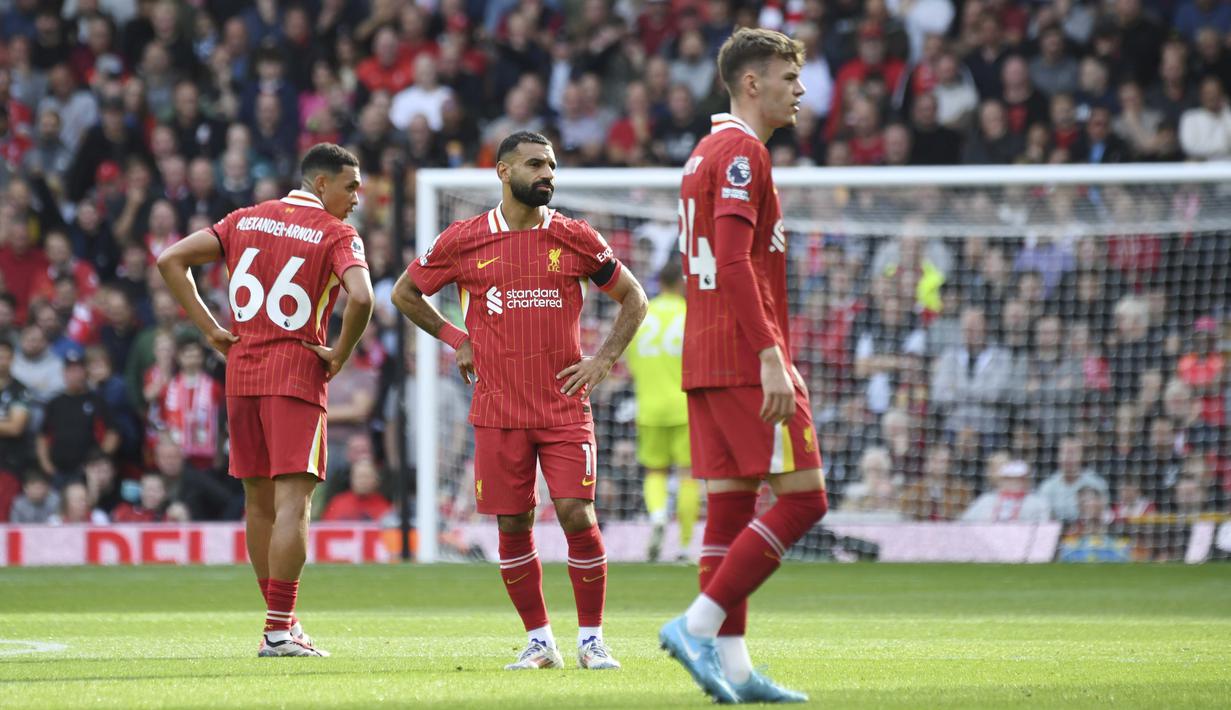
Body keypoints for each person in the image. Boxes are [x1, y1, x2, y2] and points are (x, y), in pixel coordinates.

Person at [392, 130, 647, 671]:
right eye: (535, 164)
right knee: (512, 524)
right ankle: (540, 641)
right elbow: (405, 293)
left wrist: (603, 360)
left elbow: (634, 297)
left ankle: (592, 640)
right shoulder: (464, 239)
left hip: (563, 405)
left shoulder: (575, 236)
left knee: (576, 513)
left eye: (551, 165)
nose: (547, 173)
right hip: (499, 409)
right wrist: (457, 338)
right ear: (504, 172)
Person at [659, 28, 827, 705]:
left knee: (729, 511)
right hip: (741, 355)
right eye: (789, 78)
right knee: (805, 497)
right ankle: (696, 626)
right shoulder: (741, 153)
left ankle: (733, 671)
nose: (801, 90)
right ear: (752, 83)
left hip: (705, 354)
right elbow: (732, 262)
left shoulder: (704, 152)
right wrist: (769, 356)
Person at [157, 143, 374, 658]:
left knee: (257, 502)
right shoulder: (336, 233)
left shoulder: (244, 218)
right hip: (296, 374)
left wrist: (210, 329)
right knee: (293, 502)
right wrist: (340, 353)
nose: (356, 199)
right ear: (321, 184)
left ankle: (282, 624)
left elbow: (170, 259)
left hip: (242, 373)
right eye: (351, 187)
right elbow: (363, 297)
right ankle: (278, 630)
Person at [625, 259, 699, 562]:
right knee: (688, 474)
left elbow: (630, 362)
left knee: (655, 471)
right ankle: (684, 546)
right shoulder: (690, 314)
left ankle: (657, 516)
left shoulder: (643, 314)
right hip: (685, 406)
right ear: (682, 283)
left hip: (649, 407)